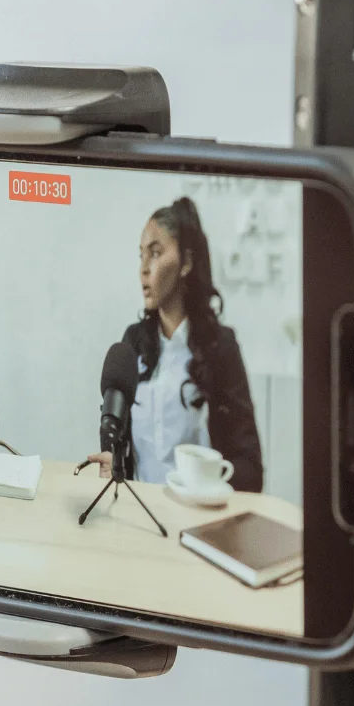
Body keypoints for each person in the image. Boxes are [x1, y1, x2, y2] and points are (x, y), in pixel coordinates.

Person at [88, 197, 264, 492]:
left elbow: (250, 469)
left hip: (200, 520)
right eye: (141, 255)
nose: (143, 269)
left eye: (155, 253)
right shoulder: (133, 342)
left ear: (186, 262)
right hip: (142, 516)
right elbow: (121, 448)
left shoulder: (220, 348)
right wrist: (115, 463)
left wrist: (207, 483)